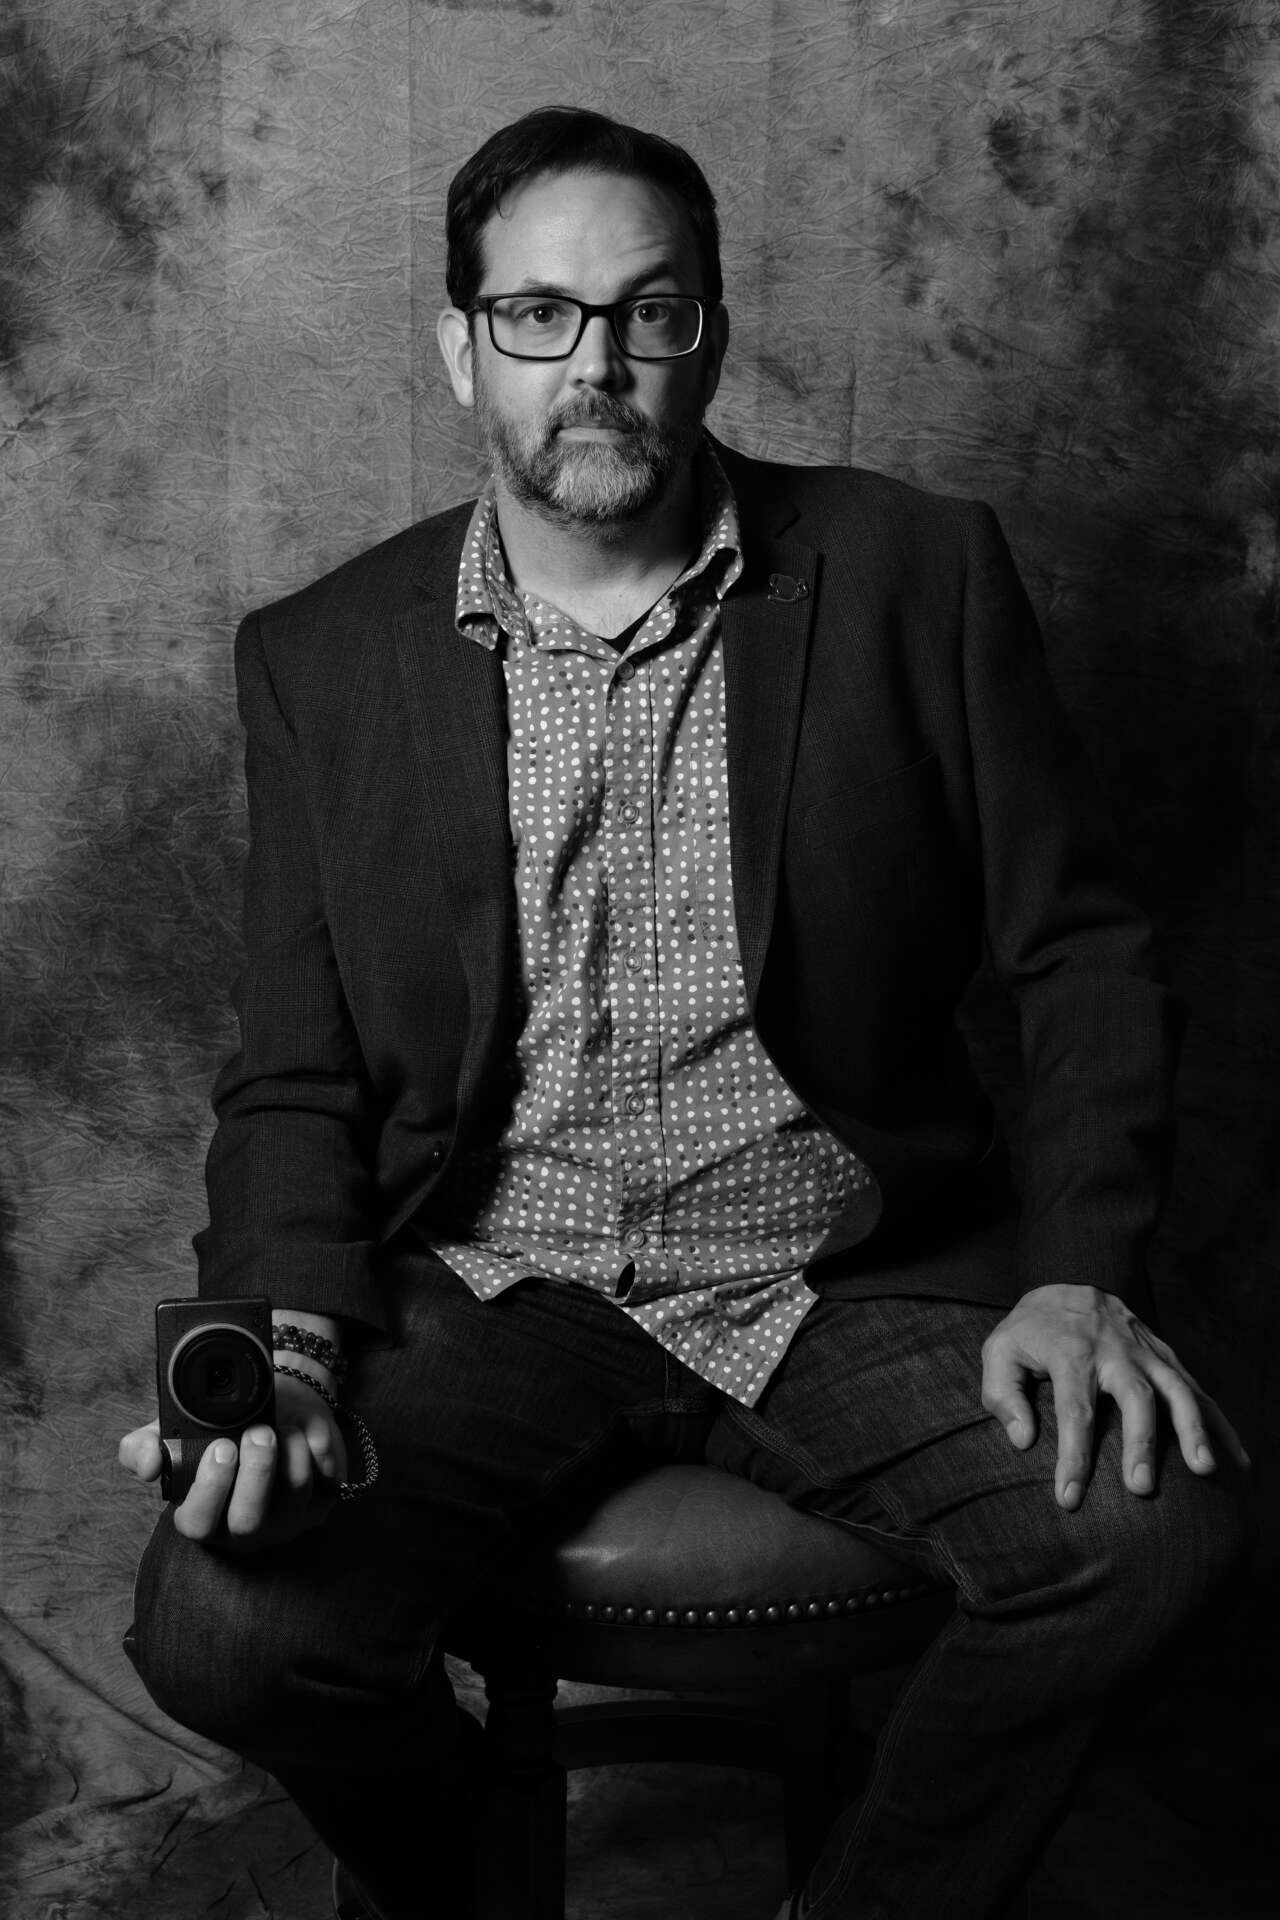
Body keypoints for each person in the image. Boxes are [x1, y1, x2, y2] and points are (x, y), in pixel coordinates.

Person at [119, 106, 1247, 1920]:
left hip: (840, 1272)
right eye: (540, 315)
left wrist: (1079, 1273)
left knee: (1153, 1535)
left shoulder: (918, 573)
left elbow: (1084, 955)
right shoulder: (318, 657)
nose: (597, 365)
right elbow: (293, 1076)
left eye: (648, 312)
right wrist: (292, 1349)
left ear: (708, 336)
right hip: (490, 1284)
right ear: (463, 349)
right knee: (223, 1631)